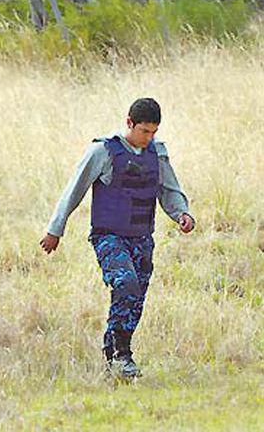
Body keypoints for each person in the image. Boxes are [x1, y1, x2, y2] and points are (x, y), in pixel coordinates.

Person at [40, 97, 195, 378]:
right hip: (109, 236)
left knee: (136, 299)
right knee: (125, 283)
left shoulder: (157, 153)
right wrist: (55, 230)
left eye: (153, 132)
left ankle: (115, 349)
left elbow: (169, 189)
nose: (148, 138)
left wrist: (182, 214)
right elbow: (73, 190)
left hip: (142, 238)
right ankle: (120, 355)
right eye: (144, 131)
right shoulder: (103, 151)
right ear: (129, 123)